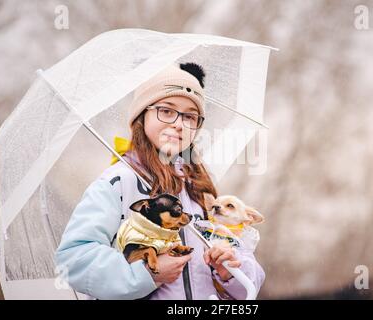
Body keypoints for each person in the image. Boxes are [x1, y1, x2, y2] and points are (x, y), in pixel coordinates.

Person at [54, 62, 265, 300]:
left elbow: (250, 275)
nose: (178, 123)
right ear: (142, 115)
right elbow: (74, 259)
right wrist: (148, 272)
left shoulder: (199, 187)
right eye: (166, 110)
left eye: (190, 116)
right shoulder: (119, 182)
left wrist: (230, 271)